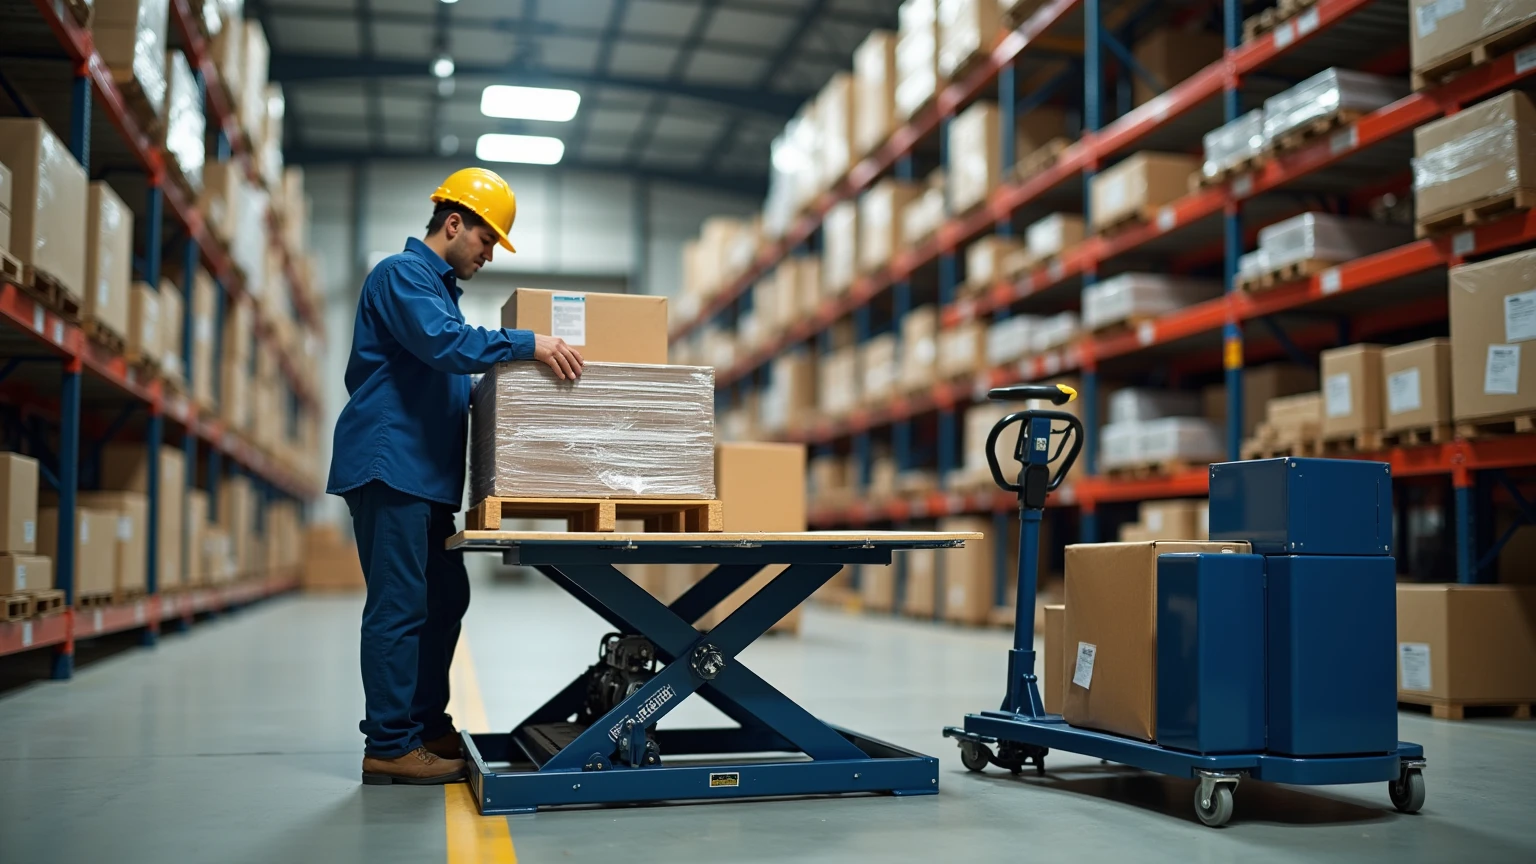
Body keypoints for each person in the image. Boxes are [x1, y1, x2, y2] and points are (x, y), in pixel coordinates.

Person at [327, 168, 584, 785]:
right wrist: (528, 345)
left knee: (445, 598)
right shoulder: (402, 276)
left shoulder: (438, 294)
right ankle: (388, 743)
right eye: (487, 240)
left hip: (426, 479)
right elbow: (445, 345)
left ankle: (422, 723)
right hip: (391, 467)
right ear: (453, 223)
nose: (488, 255)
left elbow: (449, 365)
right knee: (399, 605)